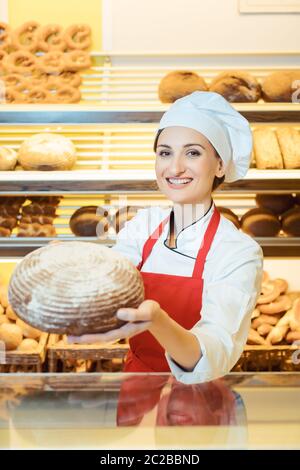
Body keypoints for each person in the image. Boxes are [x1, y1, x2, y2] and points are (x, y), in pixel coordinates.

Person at [69, 91, 263, 384]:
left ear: (220, 165)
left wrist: (157, 321)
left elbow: (215, 351)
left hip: (200, 400)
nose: (174, 168)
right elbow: (109, 283)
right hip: (136, 390)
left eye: (193, 153)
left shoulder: (237, 250)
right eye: (165, 152)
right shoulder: (143, 224)